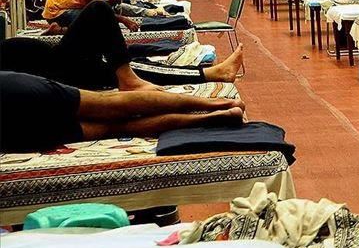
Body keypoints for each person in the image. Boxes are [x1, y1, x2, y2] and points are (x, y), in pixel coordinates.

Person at [2, 0, 244, 92]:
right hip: (58, 71)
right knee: (100, 11)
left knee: (132, 61)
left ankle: (211, 73)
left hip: (57, 61)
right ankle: (211, 74)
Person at [0, 70, 245, 153]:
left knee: (117, 127)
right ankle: (215, 104)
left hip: (10, 131)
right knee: (111, 104)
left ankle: (214, 116)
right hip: (13, 91)